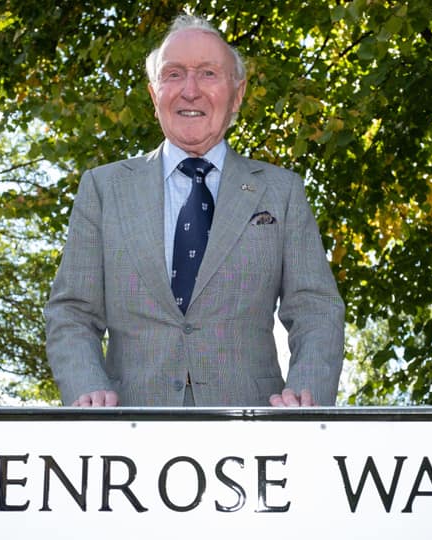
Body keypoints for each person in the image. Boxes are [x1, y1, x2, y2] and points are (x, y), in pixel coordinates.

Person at [44, 14, 344, 407]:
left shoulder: (281, 191)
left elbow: (316, 310)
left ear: (237, 94)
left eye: (208, 73)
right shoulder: (103, 189)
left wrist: (306, 397)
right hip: (126, 428)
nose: (189, 90)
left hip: (254, 428)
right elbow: (72, 312)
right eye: (174, 74)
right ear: (154, 96)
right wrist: (87, 387)